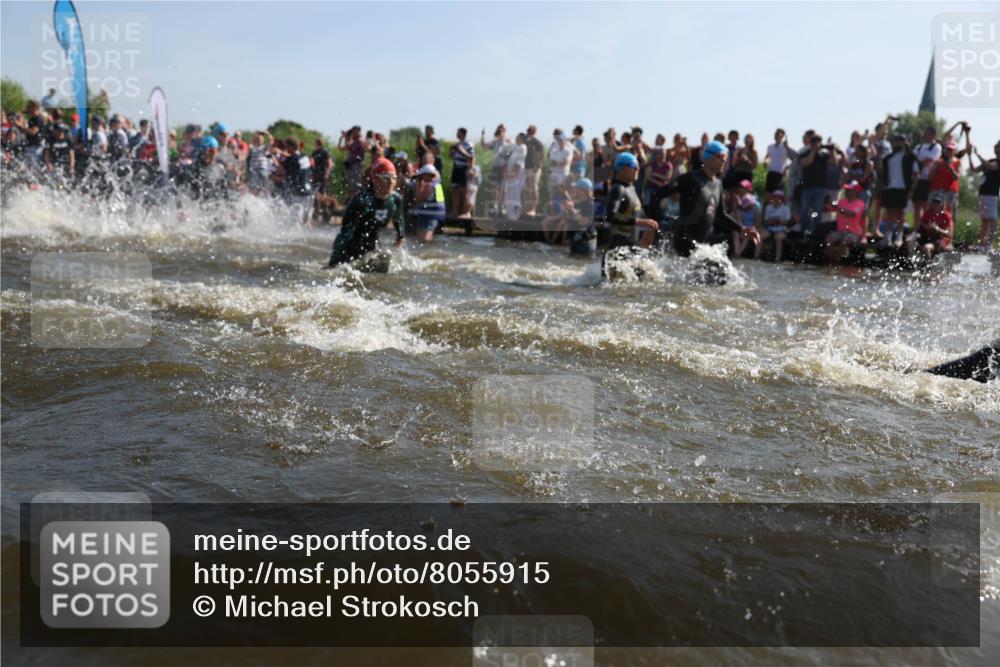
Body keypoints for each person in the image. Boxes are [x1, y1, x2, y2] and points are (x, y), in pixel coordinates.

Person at [662, 140, 749, 258]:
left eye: (725, 158)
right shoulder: (690, 178)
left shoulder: (718, 184)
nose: (723, 161)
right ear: (708, 157)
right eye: (720, 157)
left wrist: (741, 229)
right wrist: (656, 221)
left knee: (722, 273)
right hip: (683, 240)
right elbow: (657, 195)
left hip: (701, 244)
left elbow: (720, 214)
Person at [327, 157, 406, 268]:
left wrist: (401, 235)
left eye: (394, 178)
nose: (391, 182)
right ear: (375, 179)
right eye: (386, 178)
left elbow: (399, 218)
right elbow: (345, 232)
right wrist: (333, 261)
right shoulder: (362, 201)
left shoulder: (396, 200)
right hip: (351, 247)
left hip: (373, 242)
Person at [601, 151, 660, 275]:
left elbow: (639, 215)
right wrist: (640, 222)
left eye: (638, 166)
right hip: (617, 253)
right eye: (634, 166)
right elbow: (610, 216)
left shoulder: (631, 189)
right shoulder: (618, 189)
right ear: (622, 168)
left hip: (631, 251)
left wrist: (650, 228)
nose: (638, 169)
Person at [876, 134, 917, 248]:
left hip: (902, 188)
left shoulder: (909, 157)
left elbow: (916, 174)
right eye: (896, 141)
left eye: (900, 141)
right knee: (889, 214)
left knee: (900, 214)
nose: (897, 143)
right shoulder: (888, 157)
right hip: (889, 188)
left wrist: (912, 190)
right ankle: (887, 237)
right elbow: (880, 170)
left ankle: (899, 237)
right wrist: (879, 156)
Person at [823, 180, 867, 263]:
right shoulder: (842, 201)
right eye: (847, 190)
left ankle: (836, 263)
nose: (847, 191)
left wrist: (835, 206)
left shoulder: (860, 203)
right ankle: (830, 262)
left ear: (855, 192)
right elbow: (828, 210)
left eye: (849, 190)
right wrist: (827, 204)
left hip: (853, 233)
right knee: (828, 239)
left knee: (844, 241)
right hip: (840, 231)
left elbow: (850, 214)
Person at [969, 139, 999, 251]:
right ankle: (983, 243)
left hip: (991, 195)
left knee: (992, 219)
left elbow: (991, 166)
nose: (995, 148)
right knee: (985, 219)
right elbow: (974, 169)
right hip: (983, 194)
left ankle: (988, 244)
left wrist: (977, 154)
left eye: (997, 146)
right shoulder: (991, 160)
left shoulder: (998, 161)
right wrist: (969, 155)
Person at [409, 164, 446, 242]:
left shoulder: (430, 185)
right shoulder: (437, 184)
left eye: (422, 176)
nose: (421, 178)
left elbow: (418, 198)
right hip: (434, 216)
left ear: (428, 175)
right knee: (423, 239)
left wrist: (419, 185)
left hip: (430, 217)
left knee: (424, 239)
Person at [911, 193, 953, 261]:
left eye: (938, 202)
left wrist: (937, 229)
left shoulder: (946, 216)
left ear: (942, 204)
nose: (935, 204)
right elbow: (922, 226)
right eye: (934, 202)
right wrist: (927, 227)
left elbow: (948, 233)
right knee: (911, 243)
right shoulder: (927, 213)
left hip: (939, 239)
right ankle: (910, 265)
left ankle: (929, 267)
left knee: (926, 248)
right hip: (927, 237)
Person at [912, 127, 941, 223]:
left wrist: (918, 164)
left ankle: (924, 228)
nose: (924, 134)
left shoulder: (936, 147)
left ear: (933, 135)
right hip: (917, 180)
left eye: (927, 132)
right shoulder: (919, 147)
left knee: (925, 205)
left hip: (928, 180)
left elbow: (929, 160)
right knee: (917, 205)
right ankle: (916, 229)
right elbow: (912, 160)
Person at [282, 137, 313, 225]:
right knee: (306, 222)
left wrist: (273, 158)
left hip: (299, 193)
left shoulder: (291, 159)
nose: (286, 149)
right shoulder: (304, 156)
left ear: (291, 147)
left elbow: (283, 171)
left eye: (286, 147)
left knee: (295, 221)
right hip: (309, 192)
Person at [928, 140, 962, 220]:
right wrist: (936, 167)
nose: (949, 151)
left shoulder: (957, 162)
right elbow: (930, 176)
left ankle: (949, 231)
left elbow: (956, 176)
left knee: (949, 213)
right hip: (937, 190)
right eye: (948, 149)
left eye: (951, 150)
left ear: (954, 151)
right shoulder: (938, 161)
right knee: (933, 212)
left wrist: (949, 167)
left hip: (951, 191)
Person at [728, 180, 760, 259]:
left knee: (747, 235)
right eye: (740, 187)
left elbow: (757, 223)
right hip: (742, 227)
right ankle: (737, 253)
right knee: (736, 234)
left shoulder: (756, 208)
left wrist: (752, 228)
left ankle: (738, 254)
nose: (741, 189)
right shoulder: (739, 207)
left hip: (751, 229)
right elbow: (738, 220)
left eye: (743, 188)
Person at [548, 130, 577, 213]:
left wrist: (556, 162)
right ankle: (553, 214)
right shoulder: (554, 150)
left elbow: (566, 162)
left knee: (564, 195)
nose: (559, 141)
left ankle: (566, 213)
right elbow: (551, 162)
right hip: (554, 176)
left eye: (561, 140)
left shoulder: (568, 151)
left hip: (564, 176)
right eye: (558, 140)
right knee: (553, 196)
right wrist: (558, 162)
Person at [448, 127, 474, 217]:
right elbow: (451, 156)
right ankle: (455, 212)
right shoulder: (457, 144)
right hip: (456, 169)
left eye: (458, 132)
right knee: (455, 190)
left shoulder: (468, 144)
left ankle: (467, 213)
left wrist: (461, 150)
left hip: (464, 169)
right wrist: (451, 151)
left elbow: (471, 157)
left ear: (462, 133)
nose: (456, 134)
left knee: (465, 191)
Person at [760, 189, 791, 262]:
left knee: (778, 238)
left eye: (778, 197)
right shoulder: (768, 207)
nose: (776, 199)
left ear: (781, 199)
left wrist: (778, 220)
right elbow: (766, 221)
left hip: (781, 230)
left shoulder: (785, 208)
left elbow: (787, 222)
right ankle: (756, 256)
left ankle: (778, 258)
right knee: (760, 236)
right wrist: (772, 221)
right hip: (769, 229)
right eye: (774, 197)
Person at [503, 133, 527, 220]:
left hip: (516, 174)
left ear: (521, 139)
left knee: (515, 194)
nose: (516, 138)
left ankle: (514, 216)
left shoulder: (522, 147)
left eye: (518, 137)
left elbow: (519, 162)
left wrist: (513, 173)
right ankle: (510, 215)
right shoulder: (515, 147)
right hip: (511, 174)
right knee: (509, 194)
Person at [522, 125, 545, 215]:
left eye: (531, 132)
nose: (529, 133)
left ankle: (533, 209)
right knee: (526, 189)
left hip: (534, 168)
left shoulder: (537, 143)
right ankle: (526, 207)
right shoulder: (525, 142)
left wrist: (538, 167)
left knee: (534, 189)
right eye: (528, 131)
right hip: (526, 168)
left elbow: (541, 156)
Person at [764, 128, 791, 193]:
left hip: (780, 174)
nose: (776, 136)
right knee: (768, 193)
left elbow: (793, 159)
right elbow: (767, 157)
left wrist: (786, 168)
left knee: (778, 194)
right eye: (776, 134)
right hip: (771, 173)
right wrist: (765, 161)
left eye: (778, 134)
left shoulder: (786, 148)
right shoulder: (770, 147)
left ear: (782, 136)